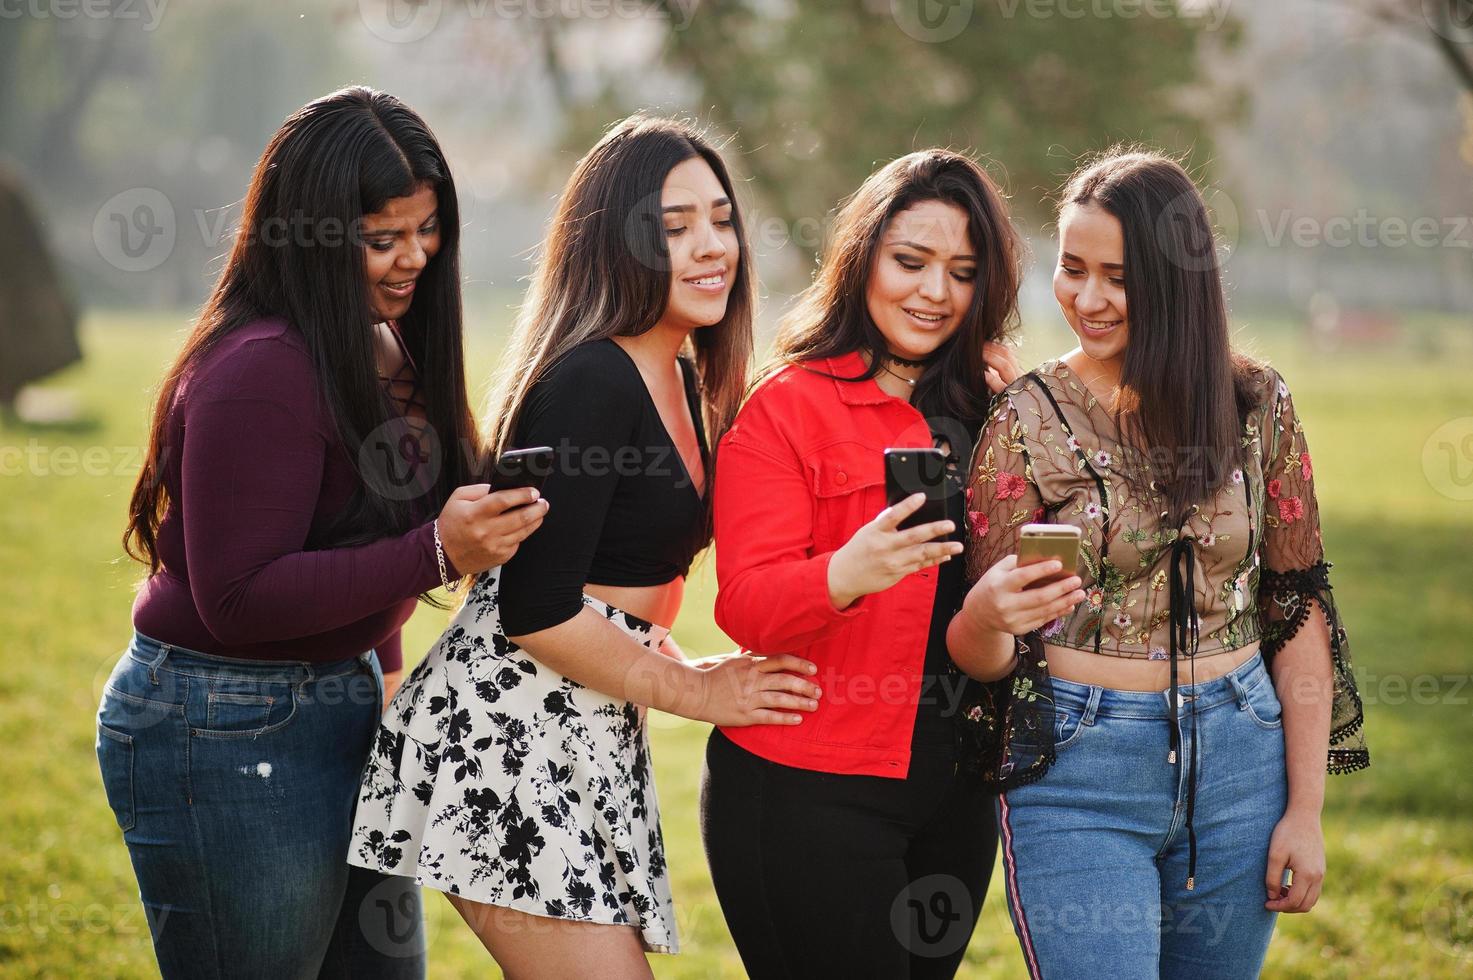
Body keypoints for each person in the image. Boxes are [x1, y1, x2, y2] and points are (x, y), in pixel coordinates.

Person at [348, 114, 823, 979]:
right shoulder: (591, 380)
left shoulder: (678, 368)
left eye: (720, 219)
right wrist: (695, 688)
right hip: (504, 734)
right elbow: (536, 610)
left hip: (589, 726)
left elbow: (614, 574)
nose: (712, 245)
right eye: (675, 229)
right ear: (614, 244)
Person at [95, 87, 544, 979]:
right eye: (382, 239)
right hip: (225, 727)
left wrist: (380, 663)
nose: (413, 258)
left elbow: (382, 516)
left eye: (425, 230)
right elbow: (238, 598)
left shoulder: (381, 344)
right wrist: (437, 553)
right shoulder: (260, 371)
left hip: (340, 703)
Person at [949, 149, 1370, 978]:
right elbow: (980, 654)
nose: (1088, 298)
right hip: (1078, 769)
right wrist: (986, 619)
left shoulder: (1257, 406)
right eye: (1072, 269)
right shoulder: (1023, 417)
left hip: (1242, 760)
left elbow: (1293, 609)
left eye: (1118, 275)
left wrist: (1305, 812)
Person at [701, 149, 1024, 978]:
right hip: (808, 792)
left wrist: (1027, 422)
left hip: (955, 794)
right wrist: (845, 571)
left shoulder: (995, 409)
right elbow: (745, 606)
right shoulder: (787, 406)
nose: (933, 292)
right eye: (909, 262)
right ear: (862, 259)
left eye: (961, 272)